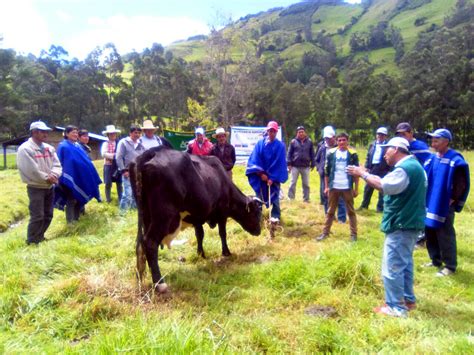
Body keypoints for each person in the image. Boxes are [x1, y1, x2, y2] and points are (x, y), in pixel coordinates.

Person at [347, 137, 427, 318]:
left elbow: (384, 185)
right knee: (405, 263)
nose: (384, 154)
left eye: (387, 150)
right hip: (410, 223)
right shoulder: (413, 166)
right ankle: (407, 300)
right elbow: (387, 180)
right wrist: (366, 173)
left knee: (392, 266)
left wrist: (363, 174)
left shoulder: (404, 170)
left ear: (397, 149)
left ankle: (396, 307)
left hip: (401, 223)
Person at [424, 129, 470, 277]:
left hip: (444, 203)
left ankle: (450, 265)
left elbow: (461, 183)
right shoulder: (433, 158)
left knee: (445, 233)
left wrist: (453, 199)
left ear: (446, 141)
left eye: (436, 140)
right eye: (432, 140)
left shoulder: (455, 160)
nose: (433, 143)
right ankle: (435, 260)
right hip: (431, 201)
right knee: (430, 230)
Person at [17, 121, 62, 245]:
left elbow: (57, 164)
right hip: (35, 187)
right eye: (42, 131)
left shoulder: (49, 148)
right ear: (34, 132)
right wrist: (47, 177)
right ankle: (32, 240)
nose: (45, 133)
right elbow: (31, 170)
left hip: (49, 186)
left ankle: (40, 237)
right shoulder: (25, 149)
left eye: (46, 131)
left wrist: (55, 174)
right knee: (38, 215)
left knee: (48, 214)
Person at [317, 132, 359, 242]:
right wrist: (326, 187)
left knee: (350, 211)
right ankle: (325, 233)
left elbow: (356, 173)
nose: (341, 142)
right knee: (330, 211)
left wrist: (356, 188)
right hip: (334, 186)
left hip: (347, 187)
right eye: (339, 140)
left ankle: (353, 234)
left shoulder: (353, 154)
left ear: (347, 141)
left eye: (344, 140)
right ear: (336, 141)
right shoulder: (331, 153)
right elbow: (326, 171)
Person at [56, 125, 102, 223]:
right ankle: (70, 221)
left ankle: (76, 219)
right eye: (73, 132)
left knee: (78, 199)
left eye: (76, 133)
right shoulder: (63, 146)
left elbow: (84, 160)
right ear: (67, 134)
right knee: (71, 200)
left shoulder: (77, 146)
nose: (75, 134)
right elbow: (60, 161)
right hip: (68, 177)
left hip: (80, 177)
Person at [396, 122, 431, 247]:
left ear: (411, 133)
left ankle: (422, 238)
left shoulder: (419, 146)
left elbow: (429, 162)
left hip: (419, 182)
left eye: (404, 134)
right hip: (406, 181)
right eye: (399, 134)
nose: (402, 137)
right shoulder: (401, 146)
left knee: (420, 208)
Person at [246, 121, 288, 223]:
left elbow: (279, 163)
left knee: (275, 198)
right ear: (267, 131)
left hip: (273, 178)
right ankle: (258, 216)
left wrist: (272, 178)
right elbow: (255, 159)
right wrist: (260, 174)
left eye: (273, 131)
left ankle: (275, 216)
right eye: (270, 131)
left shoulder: (280, 146)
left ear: (276, 132)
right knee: (259, 197)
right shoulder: (260, 144)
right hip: (260, 177)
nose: (271, 133)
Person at [314, 126, 346, 222]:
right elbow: (316, 159)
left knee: (340, 196)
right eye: (325, 138)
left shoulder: (340, 147)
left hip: (337, 175)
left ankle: (341, 218)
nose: (327, 140)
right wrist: (319, 168)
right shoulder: (322, 147)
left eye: (329, 138)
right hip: (324, 175)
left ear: (334, 137)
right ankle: (329, 216)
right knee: (326, 195)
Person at [358, 127, 390, 212]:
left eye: (382, 135)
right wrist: (366, 167)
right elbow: (368, 156)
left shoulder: (388, 146)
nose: (380, 136)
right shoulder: (372, 144)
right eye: (379, 134)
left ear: (385, 136)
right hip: (372, 168)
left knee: (382, 188)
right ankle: (364, 205)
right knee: (368, 188)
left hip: (383, 169)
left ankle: (380, 208)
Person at [116, 124, 145, 210]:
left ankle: (133, 211)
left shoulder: (141, 143)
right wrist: (123, 170)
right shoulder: (124, 142)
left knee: (136, 193)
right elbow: (119, 157)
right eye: (135, 132)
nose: (137, 134)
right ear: (130, 133)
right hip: (127, 171)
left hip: (139, 172)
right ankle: (122, 214)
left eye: (139, 133)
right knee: (127, 194)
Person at [287, 126, 315, 202]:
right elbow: (289, 153)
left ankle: (306, 199)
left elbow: (312, 153)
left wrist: (313, 163)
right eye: (299, 132)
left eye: (302, 131)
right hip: (295, 166)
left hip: (306, 166)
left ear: (305, 132)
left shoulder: (309, 142)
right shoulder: (293, 141)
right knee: (292, 183)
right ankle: (291, 198)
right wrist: (289, 163)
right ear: (297, 133)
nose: (301, 133)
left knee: (306, 184)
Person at [101, 125, 123, 204]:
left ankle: (121, 198)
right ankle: (108, 198)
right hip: (108, 165)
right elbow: (103, 154)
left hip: (118, 165)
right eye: (110, 134)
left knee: (119, 183)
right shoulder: (105, 143)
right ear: (108, 135)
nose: (112, 135)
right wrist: (114, 155)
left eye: (114, 133)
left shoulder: (119, 143)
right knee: (108, 182)